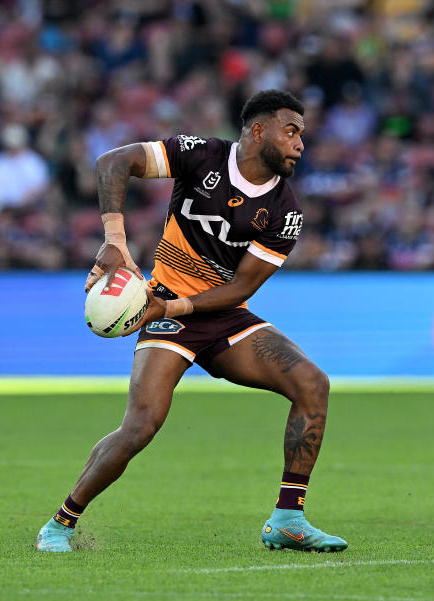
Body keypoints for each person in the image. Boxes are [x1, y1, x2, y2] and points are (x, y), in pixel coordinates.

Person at [35, 89, 347, 554]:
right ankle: (60, 524)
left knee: (312, 385)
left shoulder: (287, 211)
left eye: (302, 133)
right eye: (291, 130)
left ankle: (288, 519)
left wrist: (174, 308)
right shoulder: (200, 155)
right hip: (165, 310)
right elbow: (113, 162)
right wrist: (116, 243)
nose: (300, 143)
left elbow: (241, 288)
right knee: (142, 425)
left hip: (220, 315)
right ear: (258, 130)